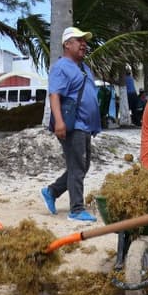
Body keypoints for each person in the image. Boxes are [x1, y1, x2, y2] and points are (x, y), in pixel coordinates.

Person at [40, 26, 102, 222]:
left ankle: (52, 191)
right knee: (77, 166)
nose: (84, 44)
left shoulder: (83, 68)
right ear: (67, 44)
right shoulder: (61, 67)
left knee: (83, 165)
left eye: (85, 40)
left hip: (85, 126)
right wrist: (59, 121)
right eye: (79, 40)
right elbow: (55, 95)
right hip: (72, 125)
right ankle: (76, 209)